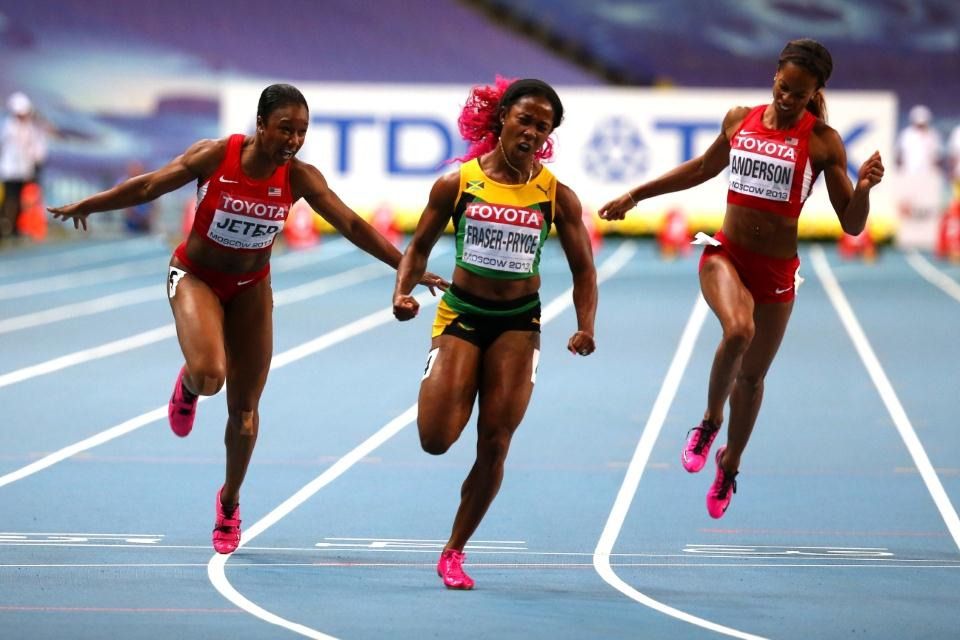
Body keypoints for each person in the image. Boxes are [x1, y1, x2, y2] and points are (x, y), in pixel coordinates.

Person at [49, 83, 447, 554]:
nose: (293, 141)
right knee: (210, 374)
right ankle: (190, 383)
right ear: (260, 125)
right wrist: (90, 204)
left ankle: (230, 502)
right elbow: (151, 185)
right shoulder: (216, 156)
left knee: (244, 415)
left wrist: (408, 267)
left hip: (251, 288)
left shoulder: (300, 178)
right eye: (285, 130)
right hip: (196, 276)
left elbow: (353, 225)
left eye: (301, 132)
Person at [599, 39, 884, 519]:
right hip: (725, 255)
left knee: (751, 378)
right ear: (775, 74)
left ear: (815, 91)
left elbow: (852, 224)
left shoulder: (822, 142)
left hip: (776, 271)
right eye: (783, 86)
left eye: (799, 93)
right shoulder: (739, 119)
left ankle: (729, 463)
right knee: (737, 330)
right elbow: (702, 170)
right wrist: (636, 195)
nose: (787, 98)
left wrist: (862, 188)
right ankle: (710, 421)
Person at [392, 77, 598, 589]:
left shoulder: (556, 196)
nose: (531, 132)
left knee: (496, 441)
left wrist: (585, 325)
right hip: (461, 315)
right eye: (524, 119)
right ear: (502, 117)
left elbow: (584, 270)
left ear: (550, 135)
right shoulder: (457, 183)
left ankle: (454, 551)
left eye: (542, 126)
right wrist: (403, 291)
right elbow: (417, 248)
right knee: (436, 438)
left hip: (518, 324)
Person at [894, 104, 943, 250]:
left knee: (926, 209)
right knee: (908, 208)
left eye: (923, 123)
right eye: (918, 123)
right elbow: (899, 156)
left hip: (927, 177)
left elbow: (937, 157)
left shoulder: (934, 136)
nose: (920, 126)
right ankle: (907, 237)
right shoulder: (906, 135)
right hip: (909, 175)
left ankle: (926, 237)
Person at [1, 92, 48, 240]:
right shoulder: (6, 126)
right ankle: (7, 227)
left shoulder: (31, 128)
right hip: (9, 170)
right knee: (10, 198)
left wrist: (37, 162)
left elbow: (38, 149)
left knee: (25, 200)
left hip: (26, 170)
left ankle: (20, 228)